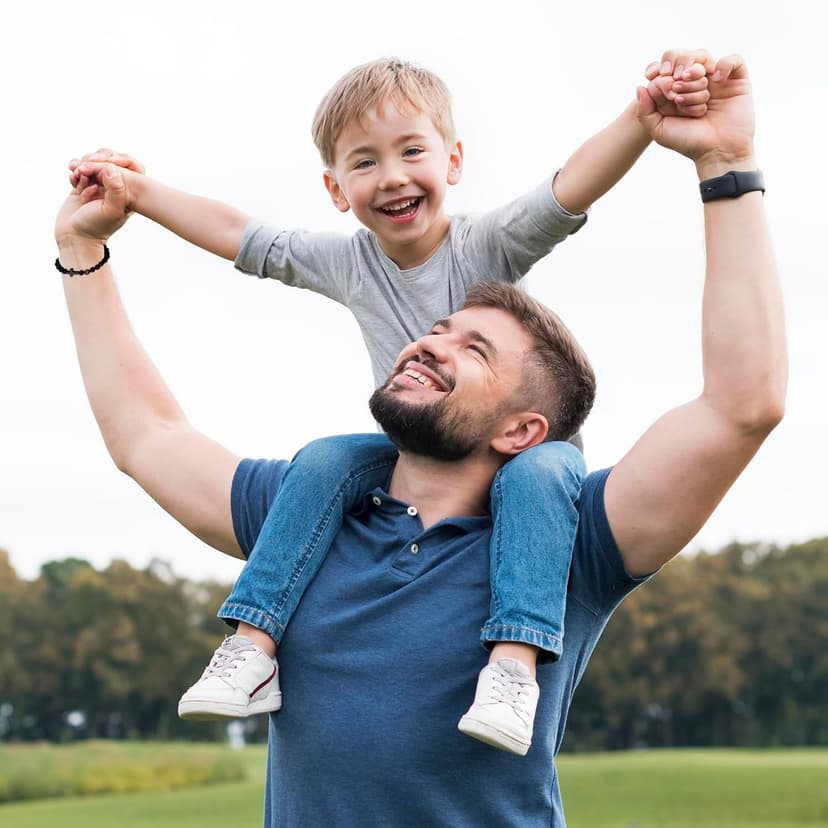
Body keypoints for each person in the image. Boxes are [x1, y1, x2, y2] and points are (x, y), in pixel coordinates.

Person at [58, 52, 784, 825]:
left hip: (537, 508)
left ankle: (513, 665)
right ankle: (248, 648)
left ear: (524, 428)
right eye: (437, 328)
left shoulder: (570, 540)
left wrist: (725, 163)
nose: (431, 341)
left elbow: (741, 405)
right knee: (329, 452)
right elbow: (145, 433)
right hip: (336, 485)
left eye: (475, 349)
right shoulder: (307, 513)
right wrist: (83, 249)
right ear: (337, 186)